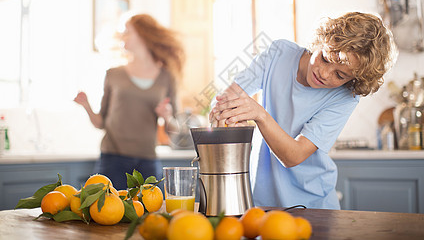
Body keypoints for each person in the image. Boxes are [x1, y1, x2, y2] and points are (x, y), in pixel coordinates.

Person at [209, 12, 397, 209]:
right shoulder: (279, 53)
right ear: (321, 41)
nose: (324, 73)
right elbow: (226, 99)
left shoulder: (345, 98)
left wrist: (260, 115)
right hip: (263, 199)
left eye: (339, 75)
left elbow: (294, 156)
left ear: (353, 81)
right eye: (324, 58)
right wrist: (225, 113)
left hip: (313, 204)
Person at [74, 13, 185, 190]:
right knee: (105, 215)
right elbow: (101, 122)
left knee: (149, 216)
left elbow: (175, 128)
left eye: (127, 32)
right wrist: (86, 106)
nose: (122, 37)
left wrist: (167, 116)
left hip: (147, 162)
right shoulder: (113, 74)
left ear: (143, 34)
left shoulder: (166, 77)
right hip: (112, 160)